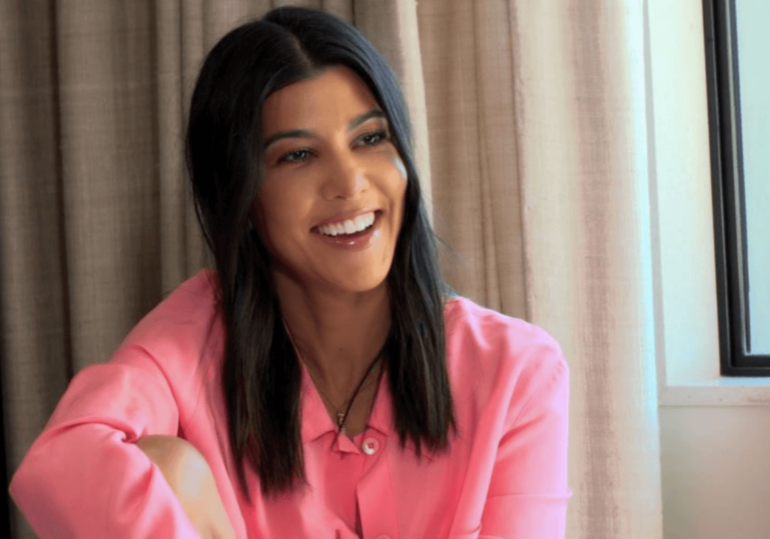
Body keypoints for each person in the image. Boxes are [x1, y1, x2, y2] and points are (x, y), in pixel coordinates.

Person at [9, 6, 570, 538]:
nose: (349, 184)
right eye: (297, 156)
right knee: (165, 467)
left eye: (370, 138)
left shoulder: (515, 371)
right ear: (243, 199)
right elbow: (63, 460)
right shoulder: (198, 330)